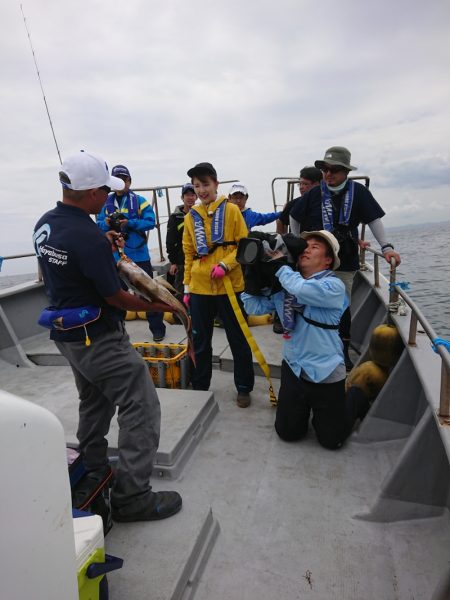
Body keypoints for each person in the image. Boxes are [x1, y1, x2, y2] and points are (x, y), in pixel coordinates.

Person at [33, 151, 182, 522]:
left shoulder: (46, 225)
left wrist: (102, 239)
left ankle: (96, 467)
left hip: (67, 337)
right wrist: (159, 307)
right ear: (90, 193)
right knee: (141, 407)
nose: (106, 197)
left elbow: (76, 257)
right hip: (99, 339)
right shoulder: (88, 237)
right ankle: (132, 497)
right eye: (103, 190)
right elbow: (115, 296)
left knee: (94, 401)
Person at [242, 230, 368, 449]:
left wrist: (279, 266)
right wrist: (252, 275)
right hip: (295, 368)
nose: (306, 249)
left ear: (328, 260)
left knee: (332, 441)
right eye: (304, 246)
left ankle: (356, 395)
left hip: (325, 371)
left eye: (315, 247)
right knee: (287, 433)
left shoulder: (334, 287)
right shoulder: (286, 283)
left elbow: (302, 289)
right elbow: (252, 307)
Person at [288, 147, 401, 370]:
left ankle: (341, 351)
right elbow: (294, 215)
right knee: (309, 302)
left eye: (334, 170)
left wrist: (386, 247)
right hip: (313, 263)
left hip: (345, 260)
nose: (328, 174)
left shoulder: (358, 192)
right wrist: (297, 245)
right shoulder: (314, 193)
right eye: (324, 169)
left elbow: (374, 220)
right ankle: (311, 346)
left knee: (341, 307)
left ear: (346, 171)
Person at [182, 162, 255, 407]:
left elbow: (243, 247)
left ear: (216, 184)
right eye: (196, 186)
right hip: (200, 288)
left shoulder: (232, 211)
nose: (201, 190)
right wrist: (186, 287)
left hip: (229, 287)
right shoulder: (191, 216)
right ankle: (200, 384)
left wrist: (225, 265)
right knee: (200, 340)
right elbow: (188, 252)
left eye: (205, 184)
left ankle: (244, 387)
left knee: (238, 339)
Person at [97, 164, 166, 342]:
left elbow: (150, 221)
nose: (121, 183)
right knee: (116, 294)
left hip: (139, 256)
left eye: (124, 179)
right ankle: (117, 330)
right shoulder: (105, 203)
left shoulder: (141, 201)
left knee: (149, 293)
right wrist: (106, 223)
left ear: (129, 181)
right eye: (117, 179)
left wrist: (129, 223)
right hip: (115, 258)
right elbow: (98, 224)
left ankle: (157, 328)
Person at [166, 183, 197, 296]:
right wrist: (173, 262)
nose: (190, 197)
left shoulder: (201, 214)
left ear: (196, 197)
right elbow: (170, 241)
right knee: (181, 292)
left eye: (193, 195)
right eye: (187, 195)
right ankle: (180, 313)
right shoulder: (175, 218)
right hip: (181, 262)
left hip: (198, 260)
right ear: (182, 197)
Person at [276, 166, 323, 235]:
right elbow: (280, 221)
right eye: (300, 184)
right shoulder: (292, 204)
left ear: (317, 184)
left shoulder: (327, 202)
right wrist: (283, 241)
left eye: (305, 184)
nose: (301, 187)